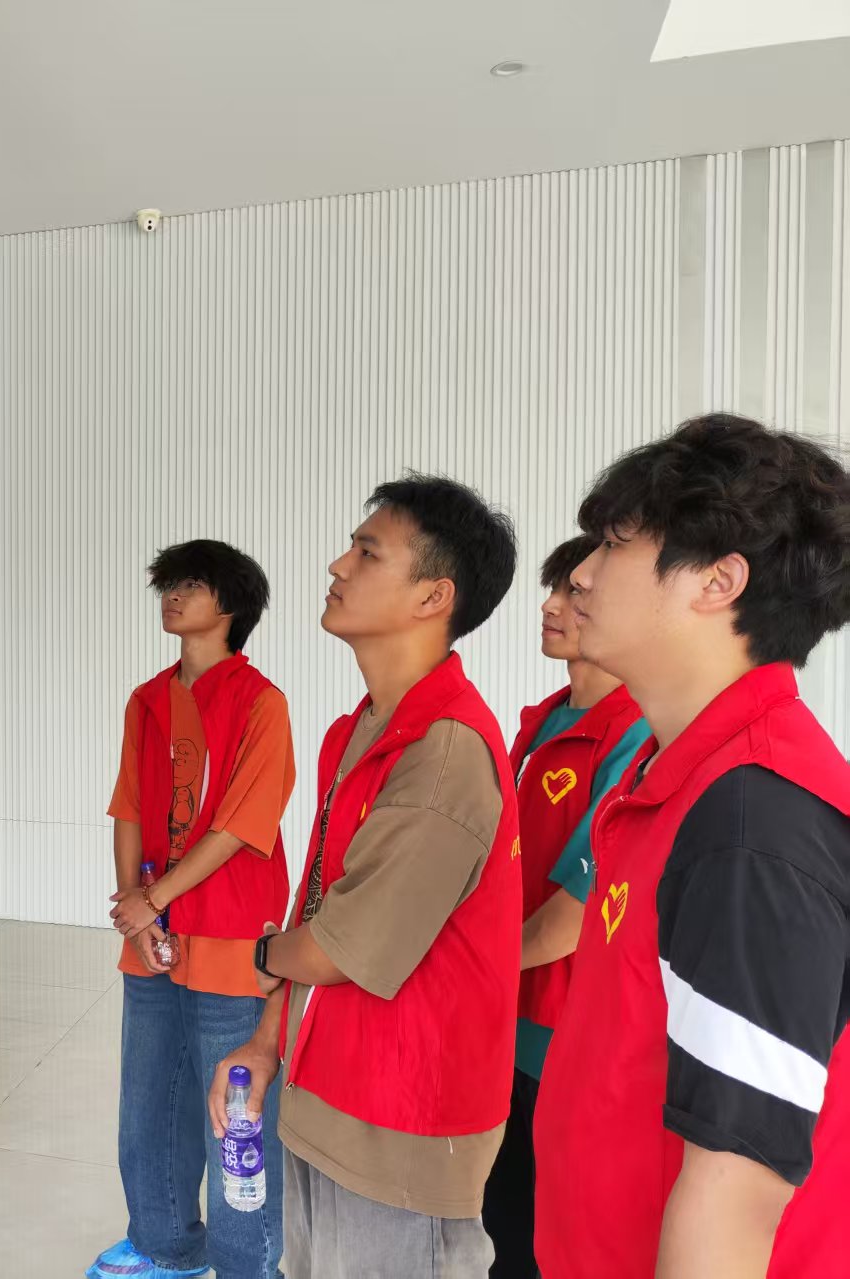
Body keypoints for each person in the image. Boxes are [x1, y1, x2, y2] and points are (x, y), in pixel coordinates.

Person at [532, 414, 850, 1279]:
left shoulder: (754, 822)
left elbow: (735, 1196)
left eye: (616, 544)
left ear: (719, 580)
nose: (583, 573)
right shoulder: (678, 781)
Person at [209, 475, 520, 1278]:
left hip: (402, 1129)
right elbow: (316, 902)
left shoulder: (444, 752)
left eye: (368, 551)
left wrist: (261, 953)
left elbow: (338, 945)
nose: (338, 564)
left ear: (433, 596)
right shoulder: (360, 729)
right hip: (326, 1099)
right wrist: (266, 1041)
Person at [89, 540, 295, 1279]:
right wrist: (138, 911)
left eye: (191, 584)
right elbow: (127, 806)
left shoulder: (261, 702)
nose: (172, 596)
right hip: (152, 930)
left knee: (234, 1119)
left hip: (231, 933)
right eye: (168, 584)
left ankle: (247, 1265)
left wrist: (155, 899)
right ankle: (165, 1246)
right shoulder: (146, 700)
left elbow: (241, 825)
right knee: (148, 1103)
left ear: (230, 605)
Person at [481, 534, 650, 1276]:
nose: (551, 606)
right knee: (500, 1217)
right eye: (553, 590)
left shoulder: (636, 737)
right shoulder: (542, 721)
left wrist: (467, 970)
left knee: (548, 1230)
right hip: (503, 1012)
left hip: (565, 1029)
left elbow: (568, 921)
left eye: (575, 593)